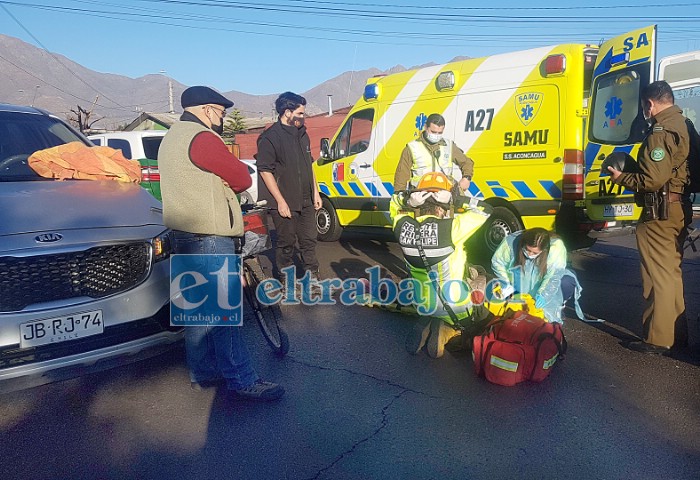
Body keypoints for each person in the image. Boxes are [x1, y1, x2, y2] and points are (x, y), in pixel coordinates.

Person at [159, 86, 284, 400]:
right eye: (220, 112)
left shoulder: (171, 138)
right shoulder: (201, 138)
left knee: (198, 310)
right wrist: (228, 178)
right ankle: (242, 379)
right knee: (224, 312)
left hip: (183, 233)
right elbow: (242, 177)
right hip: (210, 237)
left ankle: (202, 373)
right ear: (205, 109)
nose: (222, 118)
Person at [607, 80, 690, 355]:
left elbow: (652, 179)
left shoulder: (660, 131)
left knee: (658, 277)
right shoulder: (685, 126)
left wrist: (622, 178)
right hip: (678, 207)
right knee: (672, 275)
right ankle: (676, 335)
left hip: (659, 212)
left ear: (650, 104)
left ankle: (658, 339)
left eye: (645, 106)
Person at [390, 171, 492, 358]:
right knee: (482, 293)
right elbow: (487, 209)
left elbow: (393, 204)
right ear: (441, 208)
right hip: (455, 307)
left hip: (421, 304)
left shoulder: (402, 226)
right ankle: (449, 330)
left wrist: (407, 201)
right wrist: (455, 198)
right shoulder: (452, 228)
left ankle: (431, 320)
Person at [256, 91, 322, 292]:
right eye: (300, 113)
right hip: (284, 201)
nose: (303, 117)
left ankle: (312, 278)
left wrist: (316, 192)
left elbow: (309, 166)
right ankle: (288, 279)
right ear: (287, 112)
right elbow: (265, 170)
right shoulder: (270, 138)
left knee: (309, 240)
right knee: (286, 243)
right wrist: (280, 201)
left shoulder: (303, 134)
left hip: (306, 199)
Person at [491, 228, 583, 324]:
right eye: (527, 250)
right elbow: (498, 263)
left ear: (544, 249)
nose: (530, 254)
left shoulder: (555, 247)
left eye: (535, 253)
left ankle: (560, 305)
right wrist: (506, 284)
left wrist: (543, 295)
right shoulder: (512, 241)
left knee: (566, 282)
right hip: (517, 279)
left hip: (542, 281)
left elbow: (553, 276)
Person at [393, 113, 474, 194]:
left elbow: (466, 162)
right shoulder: (412, 148)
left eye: (440, 133)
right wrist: (399, 195)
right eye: (433, 132)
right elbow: (401, 175)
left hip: (445, 194)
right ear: (425, 127)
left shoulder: (449, 146)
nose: (436, 135)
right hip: (420, 195)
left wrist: (466, 178)